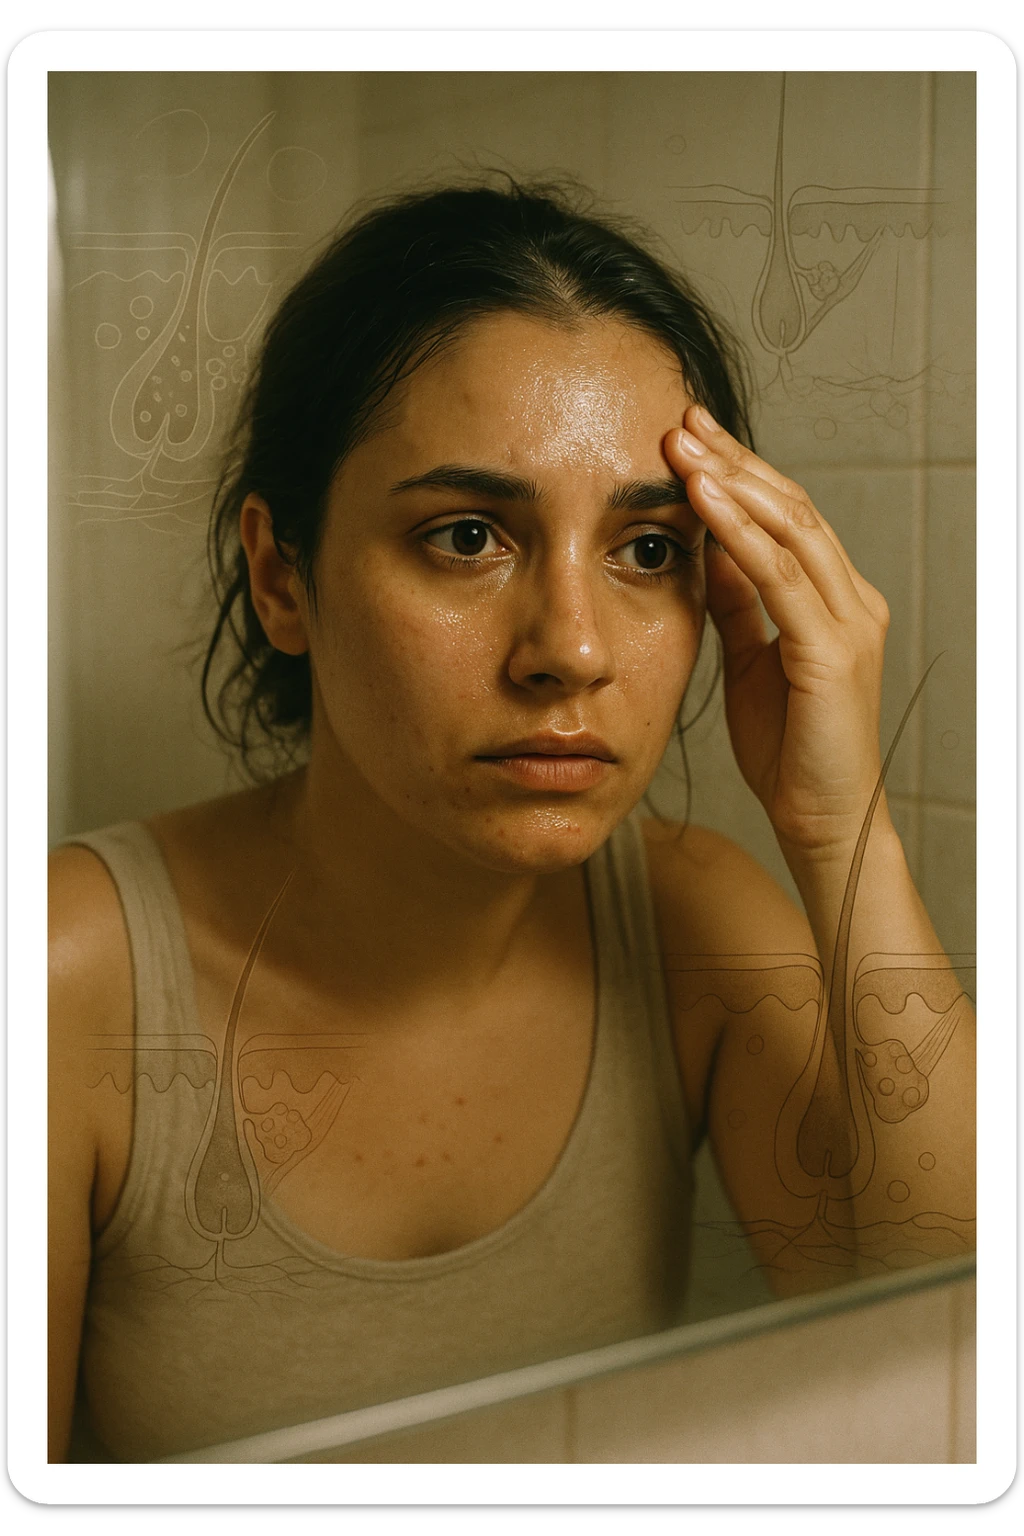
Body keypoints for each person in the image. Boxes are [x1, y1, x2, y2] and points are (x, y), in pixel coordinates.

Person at [48, 179, 975, 1463]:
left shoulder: (690, 920)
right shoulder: (63, 986)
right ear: (282, 574)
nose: (573, 650)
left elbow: (953, 1363)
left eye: (648, 550)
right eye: (469, 535)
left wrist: (841, 828)